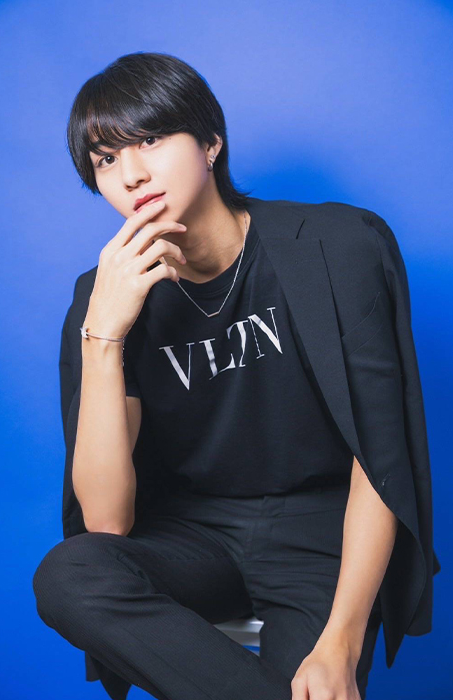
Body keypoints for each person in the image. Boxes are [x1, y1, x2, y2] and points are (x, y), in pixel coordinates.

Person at [32, 51, 440, 700]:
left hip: (321, 529)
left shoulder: (339, 245)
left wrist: (340, 642)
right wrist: (103, 336)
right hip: (193, 536)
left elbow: (380, 462)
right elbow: (106, 522)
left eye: (150, 140)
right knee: (67, 574)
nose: (131, 174)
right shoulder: (102, 296)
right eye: (105, 159)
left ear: (211, 142)